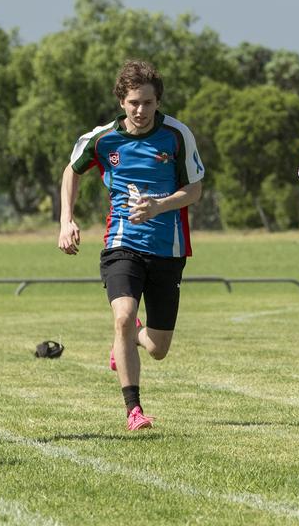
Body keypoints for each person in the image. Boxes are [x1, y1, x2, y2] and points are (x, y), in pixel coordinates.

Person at [57, 60, 204, 431]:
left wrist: (159, 205)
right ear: (122, 101)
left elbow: (195, 190)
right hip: (122, 244)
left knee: (158, 348)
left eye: (149, 103)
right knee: (120, 316)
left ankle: (130, 335)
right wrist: (66, 220)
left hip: (168, 249)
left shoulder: (176, 135)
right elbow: (71, 172)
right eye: (134, 102)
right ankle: (133, 410)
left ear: (158, 102)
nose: (141, 111)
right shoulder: (103, 138)